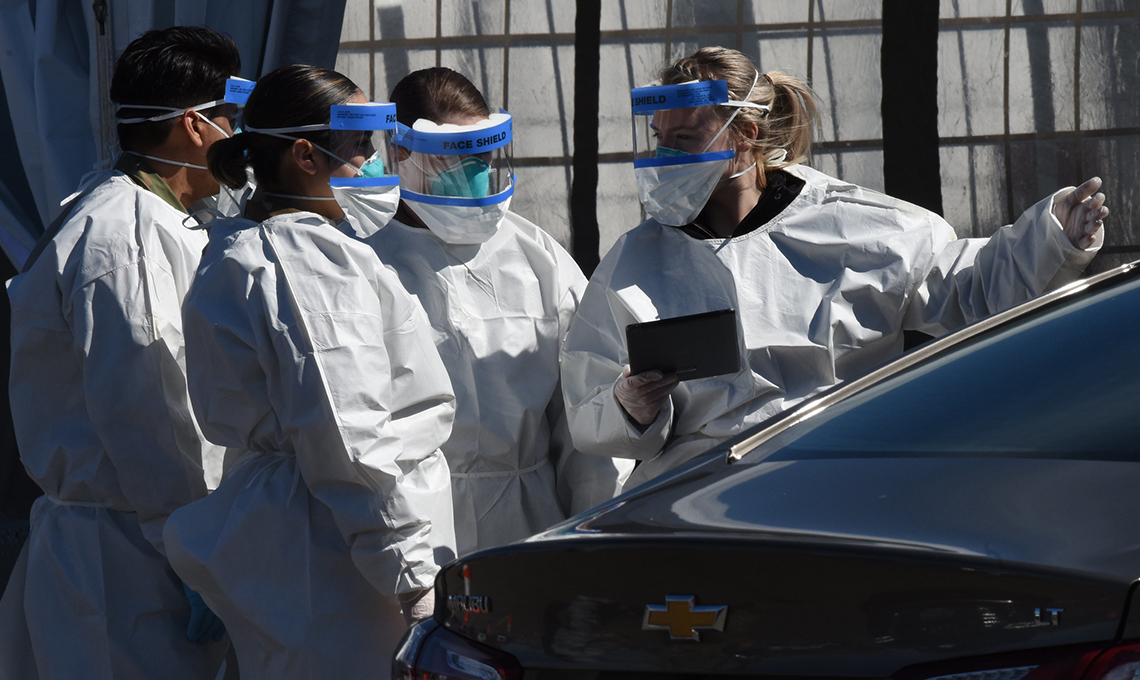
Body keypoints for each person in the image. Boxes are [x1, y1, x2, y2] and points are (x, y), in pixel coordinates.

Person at [561, 46, 1109, 492]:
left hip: (839, 484)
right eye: (660, 140)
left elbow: (969, 288)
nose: (664, 161)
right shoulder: (635, 263)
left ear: (746, 133)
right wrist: (628, 408)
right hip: (698, 502)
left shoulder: (853, 226)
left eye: (685, 141)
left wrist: (1052, 237)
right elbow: (590, 406)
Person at [161, 64, 457, 680]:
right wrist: (410, 577)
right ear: (305, 155)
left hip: (305, 532)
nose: (374, 164)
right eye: (359, 147)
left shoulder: (250, 244)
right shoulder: (307, 261)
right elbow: (347, 434)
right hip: (340, 556)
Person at [3, 26, 240, 680]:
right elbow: (150, 412)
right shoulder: (121, 237)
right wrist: (194, 553)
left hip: (144, 542)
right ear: (195, 126)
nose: (237, 138)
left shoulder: (140, 213)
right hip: (128, 562)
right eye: (230, 119)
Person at [363, 67, 631, 556]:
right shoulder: (363, 258)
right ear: (398, 150)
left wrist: (591, 537)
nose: (476, 175)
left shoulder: (536, 255)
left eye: (482, 156)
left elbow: (585, 422)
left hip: (530, 522)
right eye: (453, 161)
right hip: (412, 527)